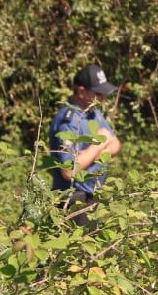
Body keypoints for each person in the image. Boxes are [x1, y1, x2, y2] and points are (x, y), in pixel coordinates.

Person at [48, 64, 123, 228]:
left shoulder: (92, 112)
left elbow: (116, 143)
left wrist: (92, 155)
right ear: (81, 92)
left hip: (92, 194)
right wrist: (99, 145)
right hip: (73, 200)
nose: (103, 99)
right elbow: (69, 170)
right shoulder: (68, 122)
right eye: (98, 94)